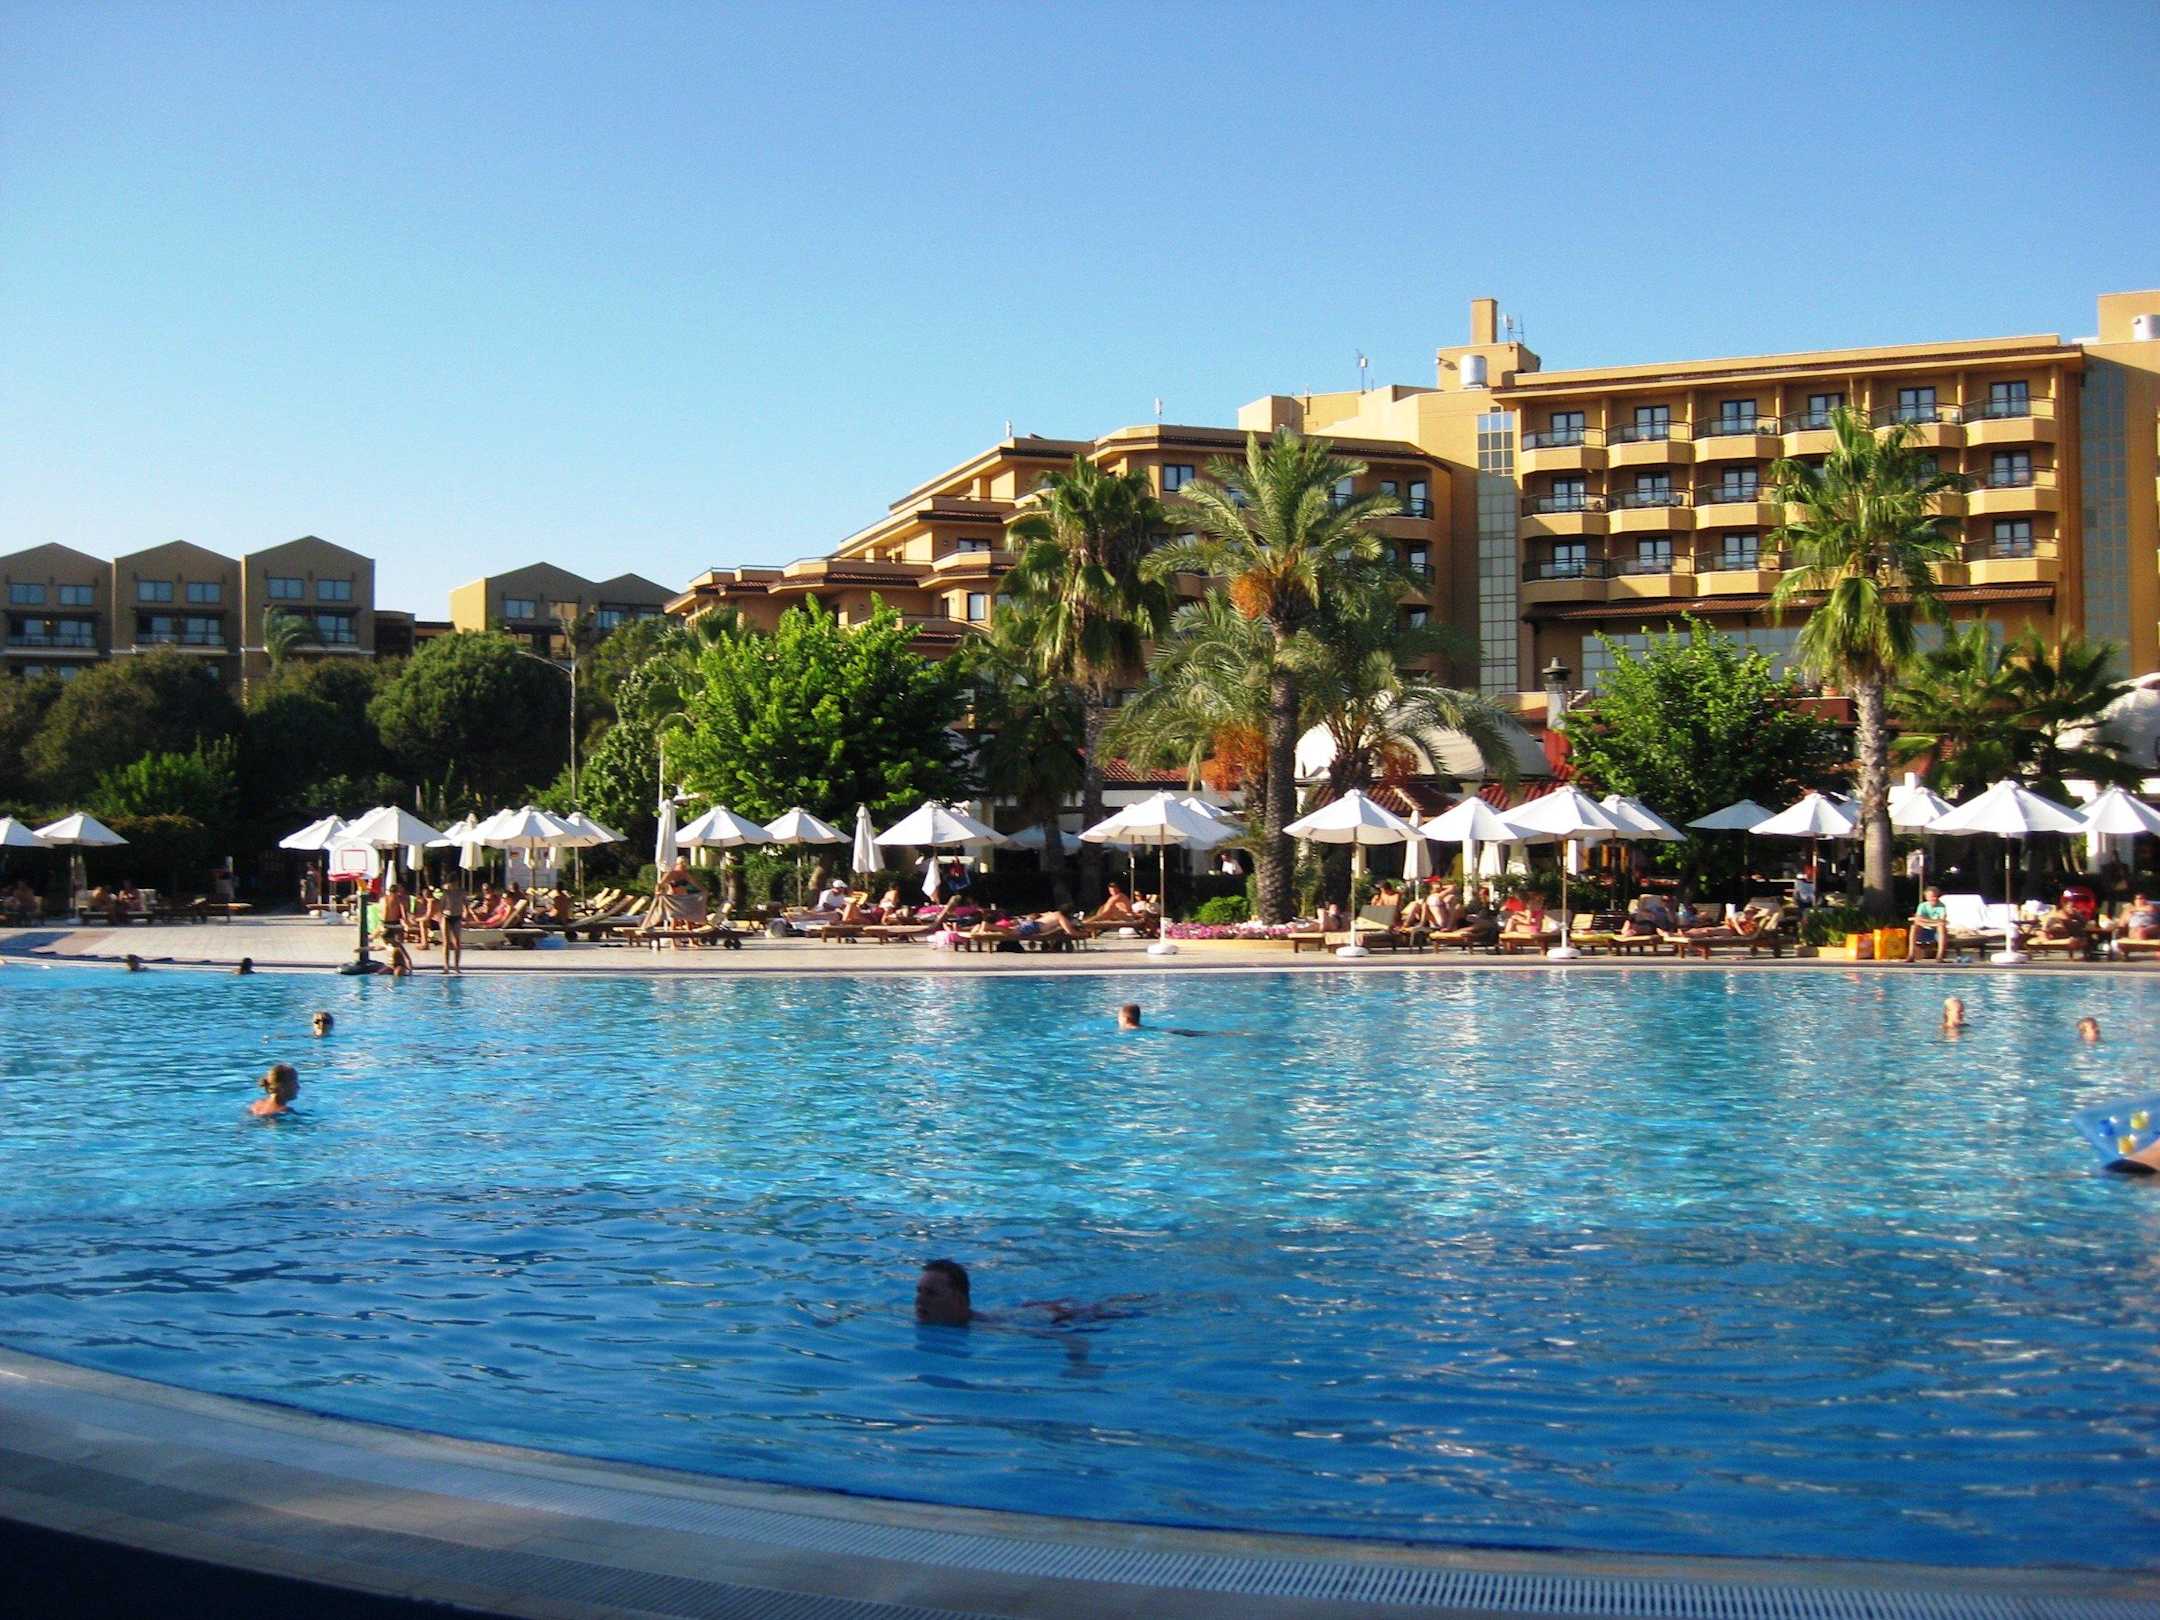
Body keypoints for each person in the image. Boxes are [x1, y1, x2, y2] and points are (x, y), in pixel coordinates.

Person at [915, 1258, 974, 1327]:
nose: (919, 1300)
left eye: (931, 1293)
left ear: (959, 1301)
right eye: (919, 1291)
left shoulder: (981, 1328)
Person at [1910, 885, 1949, 962]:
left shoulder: (1941, 906)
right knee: (1914, 927)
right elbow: (1917, 920)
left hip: (1936, 931)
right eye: (1932, 897)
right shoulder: (1922, 906)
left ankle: (1939, 956)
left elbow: (1942, 920)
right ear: (1927, 897)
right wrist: (1934, 922)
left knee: (1941, 927)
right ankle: (1911, 955)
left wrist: (1925, 921)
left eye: (1936, 896)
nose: (1934, 898)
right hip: (1924, 930)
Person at [440, 876, 465, 975]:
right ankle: (446, 966)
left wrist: (466, 912)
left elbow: (465, 903)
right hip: (446, 917)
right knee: (446, 942)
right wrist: (441, 916)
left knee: (457, 942)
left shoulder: (461, 892)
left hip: (457, 917)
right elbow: (441, 906)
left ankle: (456, 966)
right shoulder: (445, 892)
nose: (453, 885)